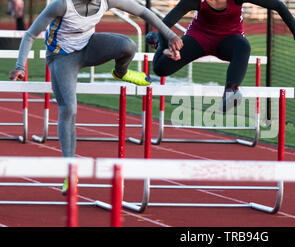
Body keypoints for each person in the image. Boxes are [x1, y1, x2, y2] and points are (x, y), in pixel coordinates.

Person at [8, 0, 183, 194]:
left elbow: (143, 12)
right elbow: (31, 34)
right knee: (69, 108)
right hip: (62, 56)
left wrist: (171, 34)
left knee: (128, 45)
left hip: (89, 47)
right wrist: (20, 66)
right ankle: (70, 170)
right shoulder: (61, 5)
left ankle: (121, 72)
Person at [146, 0, 295, 112]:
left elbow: (278, 5)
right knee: (161, 68)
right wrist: (167, 44)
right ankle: (158, 43)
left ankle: (230, 91)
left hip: (229, 39)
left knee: (243, 46)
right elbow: (165, 24)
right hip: (199, 38)